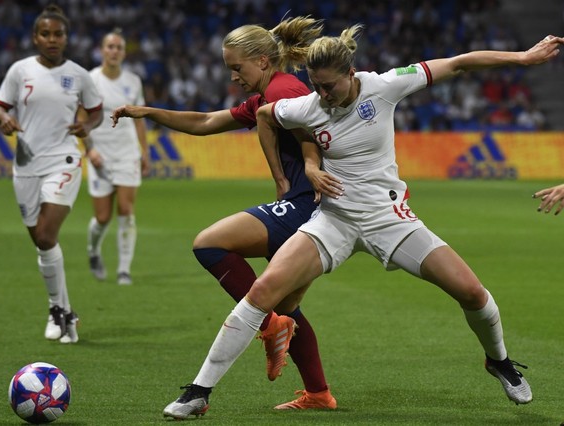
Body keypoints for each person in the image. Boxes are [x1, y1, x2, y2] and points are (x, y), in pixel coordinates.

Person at [163, 28, 564, 418]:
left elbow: (459, 63)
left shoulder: (385, 86)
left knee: (473, 294)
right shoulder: (309, 105)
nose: (322, 96)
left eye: (329, 87)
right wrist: (298, 169)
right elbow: (267, 116)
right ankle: (199, 392)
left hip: (389, 219)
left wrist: (524, 58)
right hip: (334, 220)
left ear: (351, 75)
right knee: (262, 292)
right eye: (316, 86)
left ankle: (499, 361)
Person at [111, 17, 337, 415]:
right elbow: (207, 122)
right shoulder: (267, 93)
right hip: (307, 203)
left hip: (306, 204)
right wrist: (148, 112)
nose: (234, 77)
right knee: (286, 302)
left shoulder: (285, 89)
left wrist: (294, 175)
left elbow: (313, 132)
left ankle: (268, 326)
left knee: (210, 243)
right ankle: (317, 391)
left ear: (264, 61)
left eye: (238, 67)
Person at [0, 4, 103, 344]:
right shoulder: (19, 71)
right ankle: (65, 311)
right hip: (26, 166)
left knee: (45, 235)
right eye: (45, 34)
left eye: (58, 34)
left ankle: (56, 309)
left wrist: (85, 125)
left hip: (64, 159)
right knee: (42, 244)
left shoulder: (79, 75)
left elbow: (96, 112)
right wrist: (4, 120)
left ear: (66, 38)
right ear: (35, 37)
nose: (52, 40)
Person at [84, 29, 149, 286]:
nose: (114, 51)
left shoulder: (133, 81)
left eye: (118, 47)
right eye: (109, 46)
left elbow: (139, 121)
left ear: (123, 52)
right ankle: (93, 251)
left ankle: (124, 269)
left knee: (125, 210)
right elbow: (81, 119)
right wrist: (89, 149)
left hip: (127, 153)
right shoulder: (90, 81)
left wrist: (144, 152)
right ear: (102, 50)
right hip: (100, 153)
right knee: (102, 217)